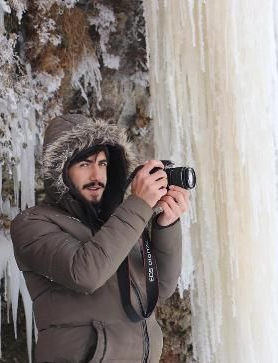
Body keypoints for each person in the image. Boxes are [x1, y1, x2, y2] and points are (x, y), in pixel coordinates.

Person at [10, 114, 189, 362]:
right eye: (85, 164)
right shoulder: (32, 223)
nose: (97, 175)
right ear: (61, 171)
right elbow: (85, 274)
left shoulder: (120, 221)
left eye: (103, 164)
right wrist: (138, 206)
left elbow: (161, 289)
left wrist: (165, 224)